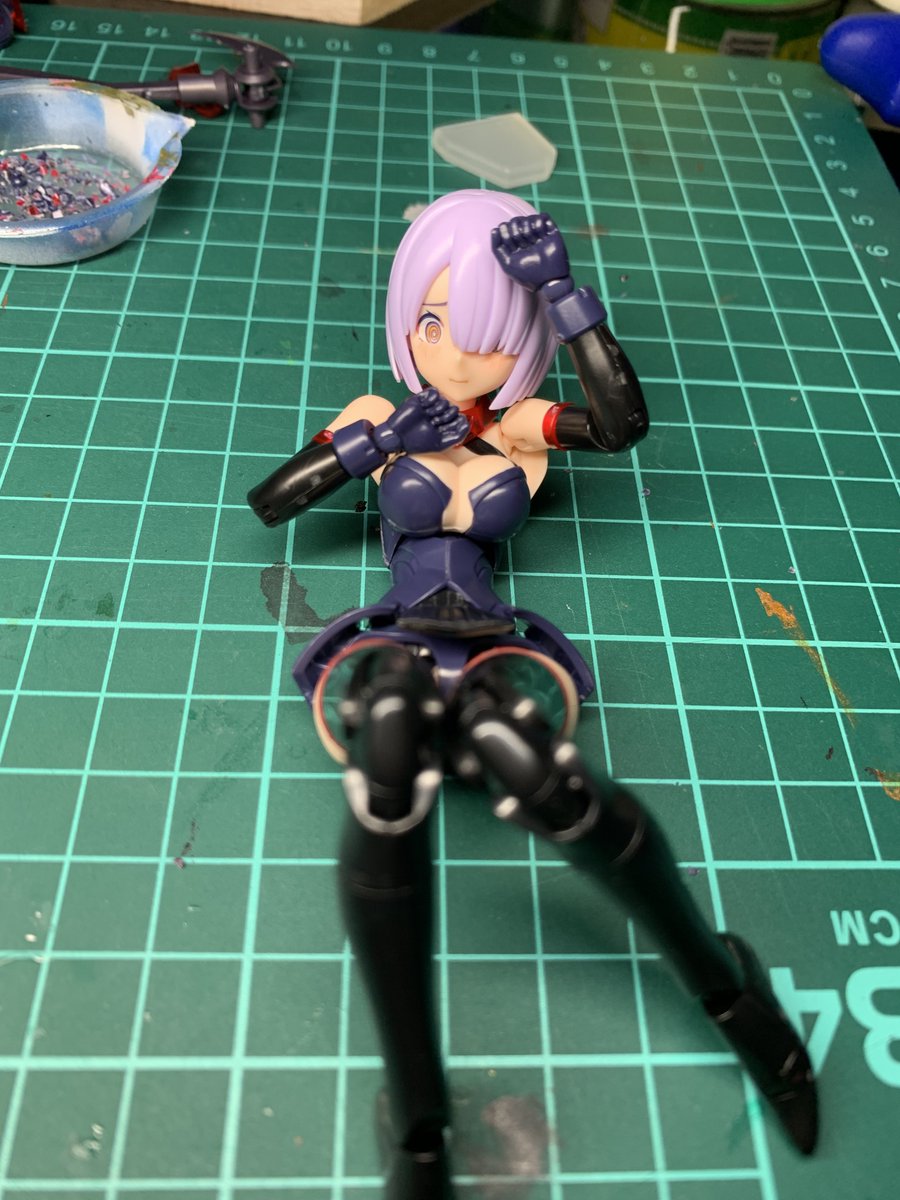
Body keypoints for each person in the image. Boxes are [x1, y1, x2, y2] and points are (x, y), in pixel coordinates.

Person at [248, 189, 817, 1200]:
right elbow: (272, 501)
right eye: (436, 326)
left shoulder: (517, 428)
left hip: (492, 641)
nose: (457, 357)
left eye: (486, 336)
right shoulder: (378, 415)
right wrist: (381, 442)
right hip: (398, 635)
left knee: (541, 775)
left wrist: (565, 297)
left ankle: (733, 997)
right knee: (389, 765)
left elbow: (623, 425)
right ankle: (420, 1128)